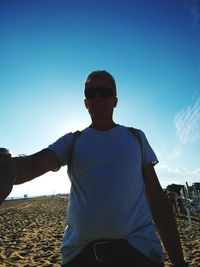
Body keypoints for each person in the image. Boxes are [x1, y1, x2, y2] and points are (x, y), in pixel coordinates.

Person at [0, 70, 189, 267]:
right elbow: (33, 165)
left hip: (138, 250)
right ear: (85, 102)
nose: (98, 97)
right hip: (81, 254)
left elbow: (156, 198)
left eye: (105, 92)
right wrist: (6, 166)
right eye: (91, 93)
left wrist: (178, 261)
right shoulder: (72, 141)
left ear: (115, 100)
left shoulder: (136, 138)